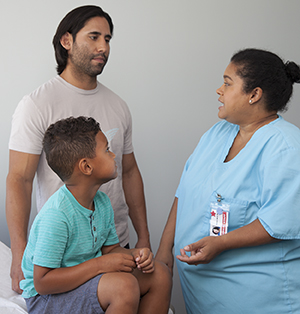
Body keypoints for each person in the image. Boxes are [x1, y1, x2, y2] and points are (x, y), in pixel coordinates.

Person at [6, 5, 151, 294]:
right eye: (94, 37)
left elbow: (130, 172)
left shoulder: (118, 106)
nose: (103, 47)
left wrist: (143, 237)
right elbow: (18, 180)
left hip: (112, 242)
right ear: (67, 41)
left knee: (151, 281)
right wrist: (19, 253)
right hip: (65, 251)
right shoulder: (37, 105)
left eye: (108, 39)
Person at [156, 48, 300, 313]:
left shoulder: (286, 147)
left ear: (254, 94)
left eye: (227, 83)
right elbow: (185, 192)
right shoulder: (218, 132)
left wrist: (221, 243)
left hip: (259, 301)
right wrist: (164, 250)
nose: (218, 90)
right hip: (203, 298)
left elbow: (279, 223)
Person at [20, 116, 172, 314]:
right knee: (123, 287)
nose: (114, 154)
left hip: (85, 280)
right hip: (47, 298)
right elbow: (42, 282)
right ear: (86, 167)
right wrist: (99, 264)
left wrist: (135, 255)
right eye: (107, 150)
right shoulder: (57, 215)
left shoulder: (101, 202)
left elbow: (111, 251)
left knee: (160, 273)